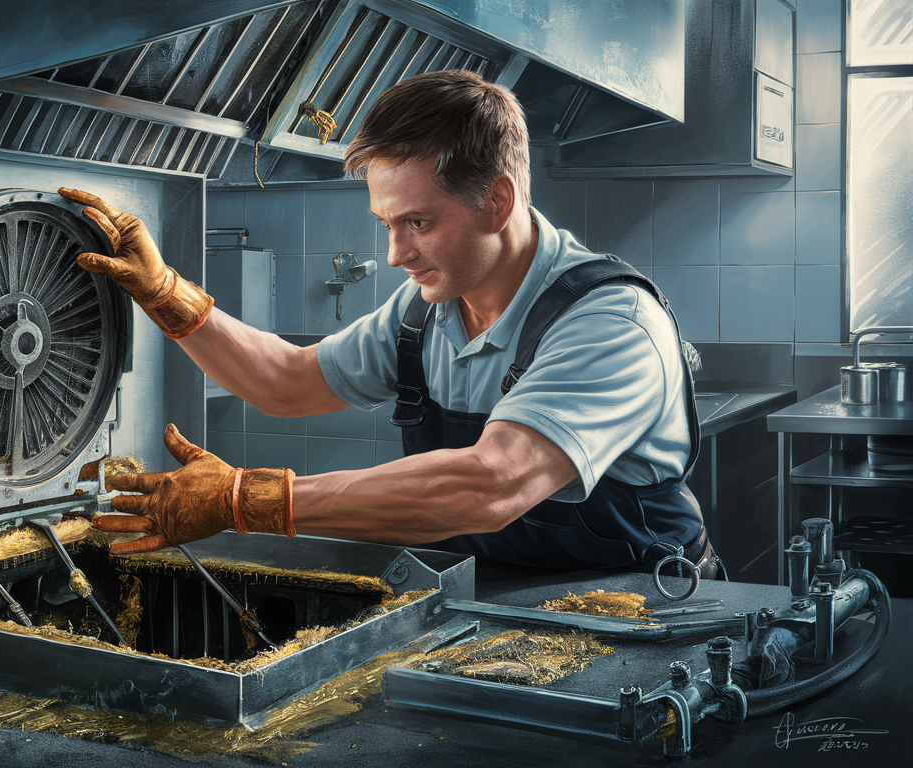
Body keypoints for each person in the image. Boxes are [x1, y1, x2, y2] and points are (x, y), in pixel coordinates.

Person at [60, 69, 716, 576]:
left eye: (418, 223)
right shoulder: (424, 314)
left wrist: (245, 499)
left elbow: (489, 485)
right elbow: (288, 381)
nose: (396, 255)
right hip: (491, 611)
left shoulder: (610, 321)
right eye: (387, 225)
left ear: (497, 202)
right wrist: (166, 294)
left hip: (649, 619)